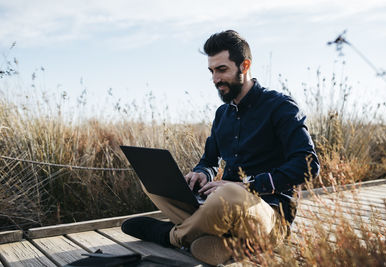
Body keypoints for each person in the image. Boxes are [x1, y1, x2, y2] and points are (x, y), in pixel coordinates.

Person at [121, 30, 320, 266]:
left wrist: (247, 185)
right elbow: (209, 161)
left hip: (270, 216)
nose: (215, 79)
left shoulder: (280, 106)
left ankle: (170, 235)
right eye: (212, 71)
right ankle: (215, 237)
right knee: (153, 179)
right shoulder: (222, 114)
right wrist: (200, 174)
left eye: (222, 70)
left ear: (244, 65)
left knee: (229, 194)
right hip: (221, 207)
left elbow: (308, 165)